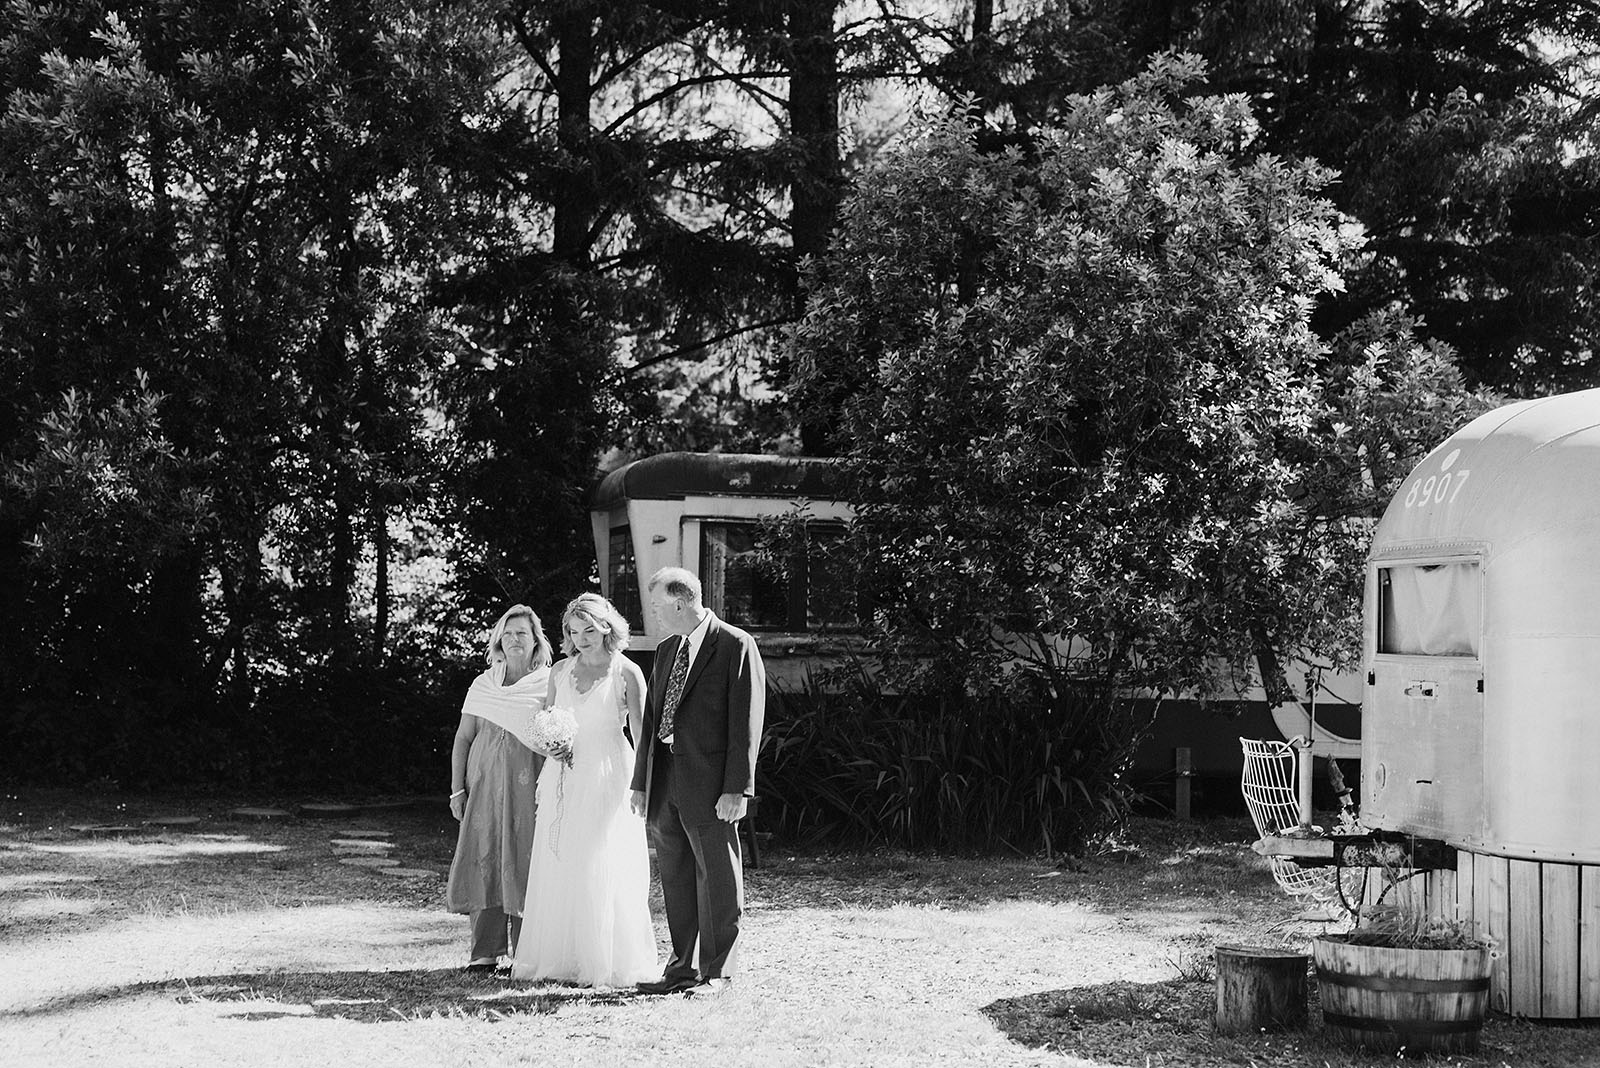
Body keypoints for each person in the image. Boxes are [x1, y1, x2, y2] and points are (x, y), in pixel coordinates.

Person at [631, 567, 766, 997]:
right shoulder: (668, 649)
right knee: (675, 877)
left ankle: (717, 973)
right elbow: (652, 721)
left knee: (718, 879)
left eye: (656, 605)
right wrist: (640, 783)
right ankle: (681, 971)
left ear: (679, 601)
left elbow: (746, 723)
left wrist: (737, 788)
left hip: (712, 785)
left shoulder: (734, 644)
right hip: (666, 778)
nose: (652, 613)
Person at [512, 593, 656, 987]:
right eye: (574, 632)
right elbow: (549, 720)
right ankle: (561, 955)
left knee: (604, 858)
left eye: (589, 630)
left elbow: (643, 737)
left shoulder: (627, 672)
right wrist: (551, 744)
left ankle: (606, 959)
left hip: (610, 772)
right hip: (565, 775)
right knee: (561, 857)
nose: (581, 638)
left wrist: (642, 786)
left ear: (607, 627)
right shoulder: (560, 671)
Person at [445, 604, 553, 971]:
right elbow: (463, 738)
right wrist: (457, 790)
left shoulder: (548, 683)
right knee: (485, 857)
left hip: (529, 790)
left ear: (536, 641)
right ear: (498, 641)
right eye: (507, 634)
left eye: (522, 633)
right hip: (484, 790)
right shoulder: (483, 684)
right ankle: (484, 951)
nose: (514, 640)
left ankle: (527, 951)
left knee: (526, 859)